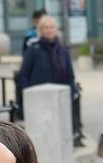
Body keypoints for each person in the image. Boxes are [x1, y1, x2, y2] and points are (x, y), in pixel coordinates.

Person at [16, 13, 84, 148]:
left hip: (60, 101)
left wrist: (69, 96)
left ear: (56, 29)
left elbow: (70, 76)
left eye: (52, 27)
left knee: (58, 137)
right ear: (40, 30)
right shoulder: (33, 50)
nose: (49, 30)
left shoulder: (63, 51)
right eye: (46, 27)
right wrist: (27, 96)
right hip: (39, 102)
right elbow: (23, 75)